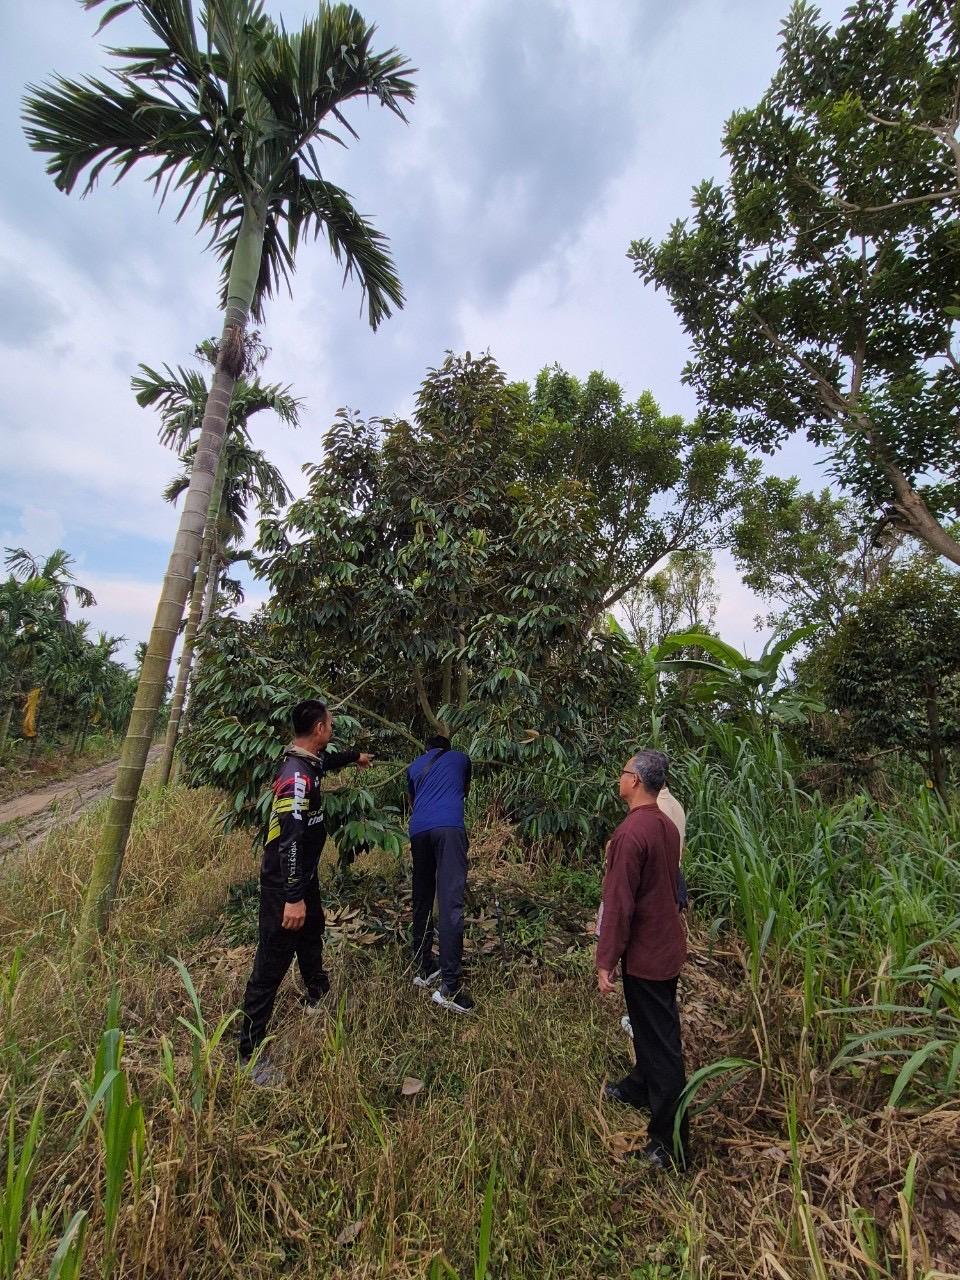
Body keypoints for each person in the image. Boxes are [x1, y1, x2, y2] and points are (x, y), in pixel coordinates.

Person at [238, 699, 373, 1083]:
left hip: (302, 878)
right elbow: (291, 842)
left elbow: (327, 762)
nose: (332, 728)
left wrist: (355, 757)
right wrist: (293, 897)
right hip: (285, 884)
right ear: (318, 729)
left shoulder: (307, 763)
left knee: (312, 933)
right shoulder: (296, 778)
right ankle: (249, 1053)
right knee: (271, 962)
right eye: (330, 723)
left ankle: (318, 994)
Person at [596, 749, 690, 1170]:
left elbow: (619, 903)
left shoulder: (630, 833)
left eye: (623, 771)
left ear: (634, 780)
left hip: (647, 954)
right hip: (665, 946)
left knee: (660, 1042)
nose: (619, 778)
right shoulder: (665, 825)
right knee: (651, 1028)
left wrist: (606, 959)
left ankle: (670, 1142)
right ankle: (640, 1086)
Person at [407, 734, 474, 1013]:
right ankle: (449, 986)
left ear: (427, 750)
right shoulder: (461, 759)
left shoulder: (414, 766)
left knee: (422, 897)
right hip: (448, 829)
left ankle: (424, 967)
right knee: (450, 903)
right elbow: (464, 790)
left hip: (418, 830)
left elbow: (413, 801)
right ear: (448, 749)